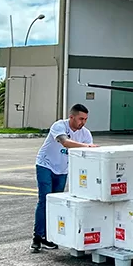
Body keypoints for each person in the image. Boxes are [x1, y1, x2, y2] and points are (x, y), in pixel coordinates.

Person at [31, 104, 97, 252]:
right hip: (45, 165)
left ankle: (49, 237)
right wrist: (87, 147)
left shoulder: (85, 134)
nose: (83, 122)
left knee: (56, 202)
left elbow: (86, 157)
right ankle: (37, 237)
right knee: (45, 199)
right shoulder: (59, 126)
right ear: (71, 117)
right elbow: (65, 142)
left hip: (62, 170)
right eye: (80, 119)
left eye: (86, 119)